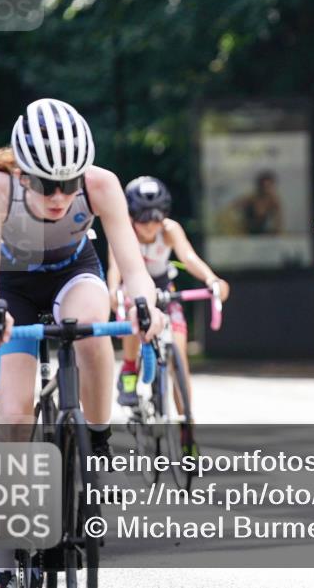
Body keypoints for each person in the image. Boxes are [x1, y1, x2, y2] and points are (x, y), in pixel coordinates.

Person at [0, 98, 164, 588]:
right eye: (47, 184)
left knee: (91, 328)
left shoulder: (99, 185)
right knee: (13, 416)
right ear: (23, 173)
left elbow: (134, 270)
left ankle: (95, 439)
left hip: (75, 273)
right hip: (13, 290)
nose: (59, 195)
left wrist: (146, 306)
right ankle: (3, 554)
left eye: (68, 184)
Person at [107, 176, 229, 456]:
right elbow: (115, 266)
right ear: (130, 215)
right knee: (129, 310)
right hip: (134, 291)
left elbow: (188, 257)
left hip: (163, 290)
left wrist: (212, 280)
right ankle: (129, 367)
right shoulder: (123, 230)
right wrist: (113, 290)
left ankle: (187, 432)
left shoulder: (170, 229)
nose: (150, 226)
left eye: (156, 219)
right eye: (142, 219)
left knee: (180, 358)